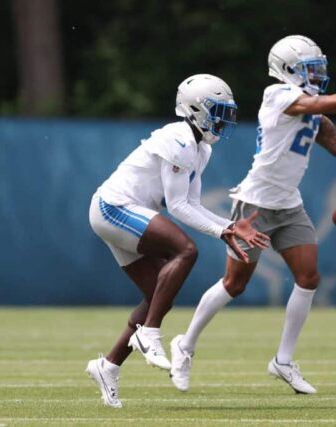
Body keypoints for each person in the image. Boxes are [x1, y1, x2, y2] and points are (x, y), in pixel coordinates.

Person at [169, 35, 336, 394]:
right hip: (255, 204)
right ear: (288, 70)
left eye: (319, 68)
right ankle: (184, 346)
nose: (318, 74)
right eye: (311, 68)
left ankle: (283, 361)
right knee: (235, 284)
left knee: (308, 278)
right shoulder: (278, 94)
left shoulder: (310, 110)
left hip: (289, 204)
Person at [85, 73, 270, 408]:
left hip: (126, 212)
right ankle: (149, 333)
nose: (223, 118)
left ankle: (108, 365)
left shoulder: (200, 148)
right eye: (217, 110)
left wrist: (229, 225)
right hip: (113, 207)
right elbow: (179, 207)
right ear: (195, 109)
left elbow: (193, 204)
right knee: (185, 250)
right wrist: (223, 231)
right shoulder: (180, 137)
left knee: (158, 294)